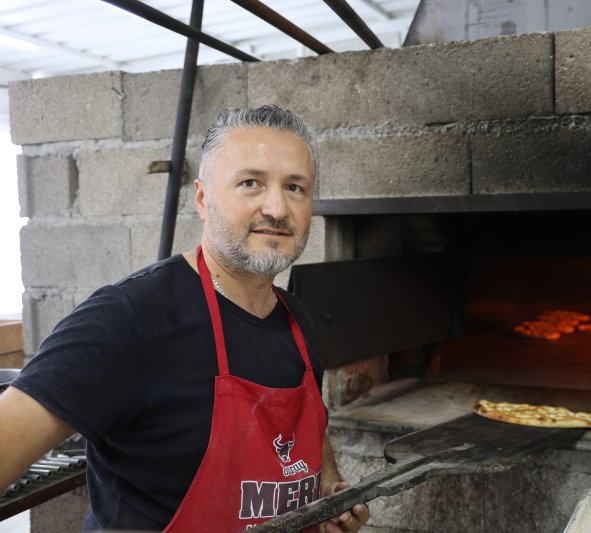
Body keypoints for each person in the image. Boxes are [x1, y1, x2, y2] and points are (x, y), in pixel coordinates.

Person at [0, 104, 370, 532]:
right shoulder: (129, 319)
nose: (277, 208)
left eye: (295, 188)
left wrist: (326, 497)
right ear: (202, 199)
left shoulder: (296, 320)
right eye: (251, 183)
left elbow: (311, 437)